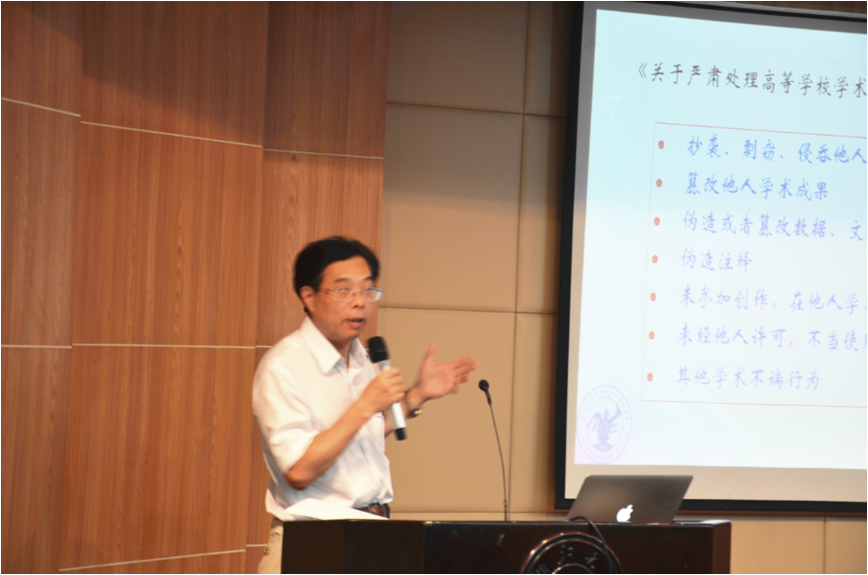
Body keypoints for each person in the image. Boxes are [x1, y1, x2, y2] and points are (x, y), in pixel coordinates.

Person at [252, 236, 478, 574]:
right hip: (313, 543)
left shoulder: (362, 358)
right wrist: (364, 405)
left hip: (374, 535)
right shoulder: (283, 367)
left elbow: (360, 435)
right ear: (309, 297)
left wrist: (417, 394)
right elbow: (298, 471)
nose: (360, 302)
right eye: (344, 290)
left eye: (368, 290)